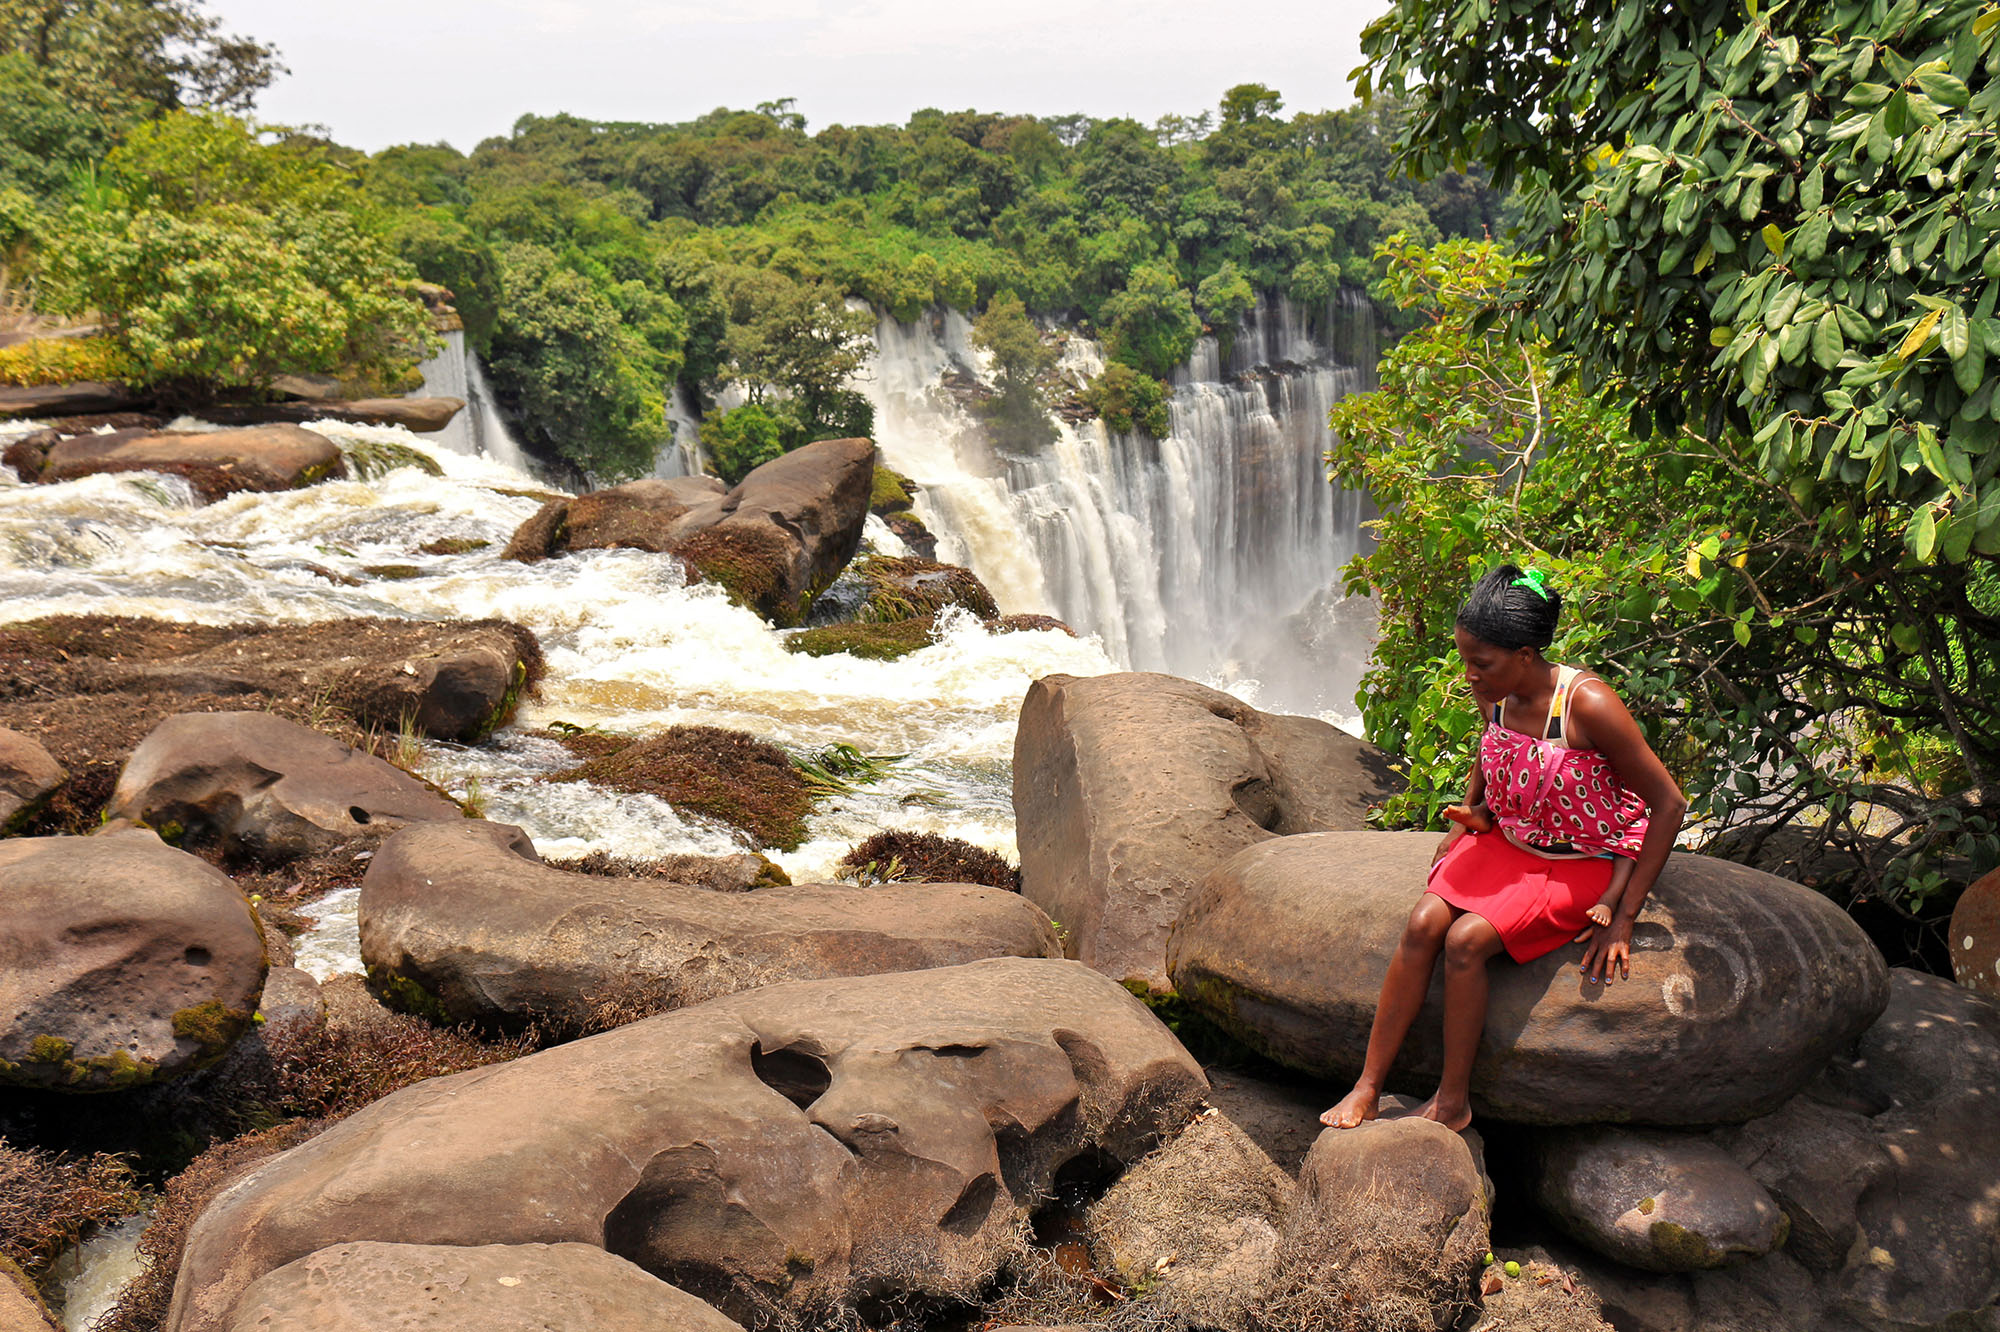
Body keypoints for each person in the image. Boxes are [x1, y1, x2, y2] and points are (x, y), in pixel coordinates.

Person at [1321, 564, 1688, 1132]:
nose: (1469, 676)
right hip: (1510, 840)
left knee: (1466, 941)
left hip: (1579, 861)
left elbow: (1669, 804)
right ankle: (1368, 1085)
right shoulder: (1496, 692)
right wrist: (1476, 811)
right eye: (1465, 659)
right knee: (1422, 924)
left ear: (1525, 654)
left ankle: (1452, 1100)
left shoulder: (1588, 705)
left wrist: (1624, 916)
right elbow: (1490, 748)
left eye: (1481, 663)